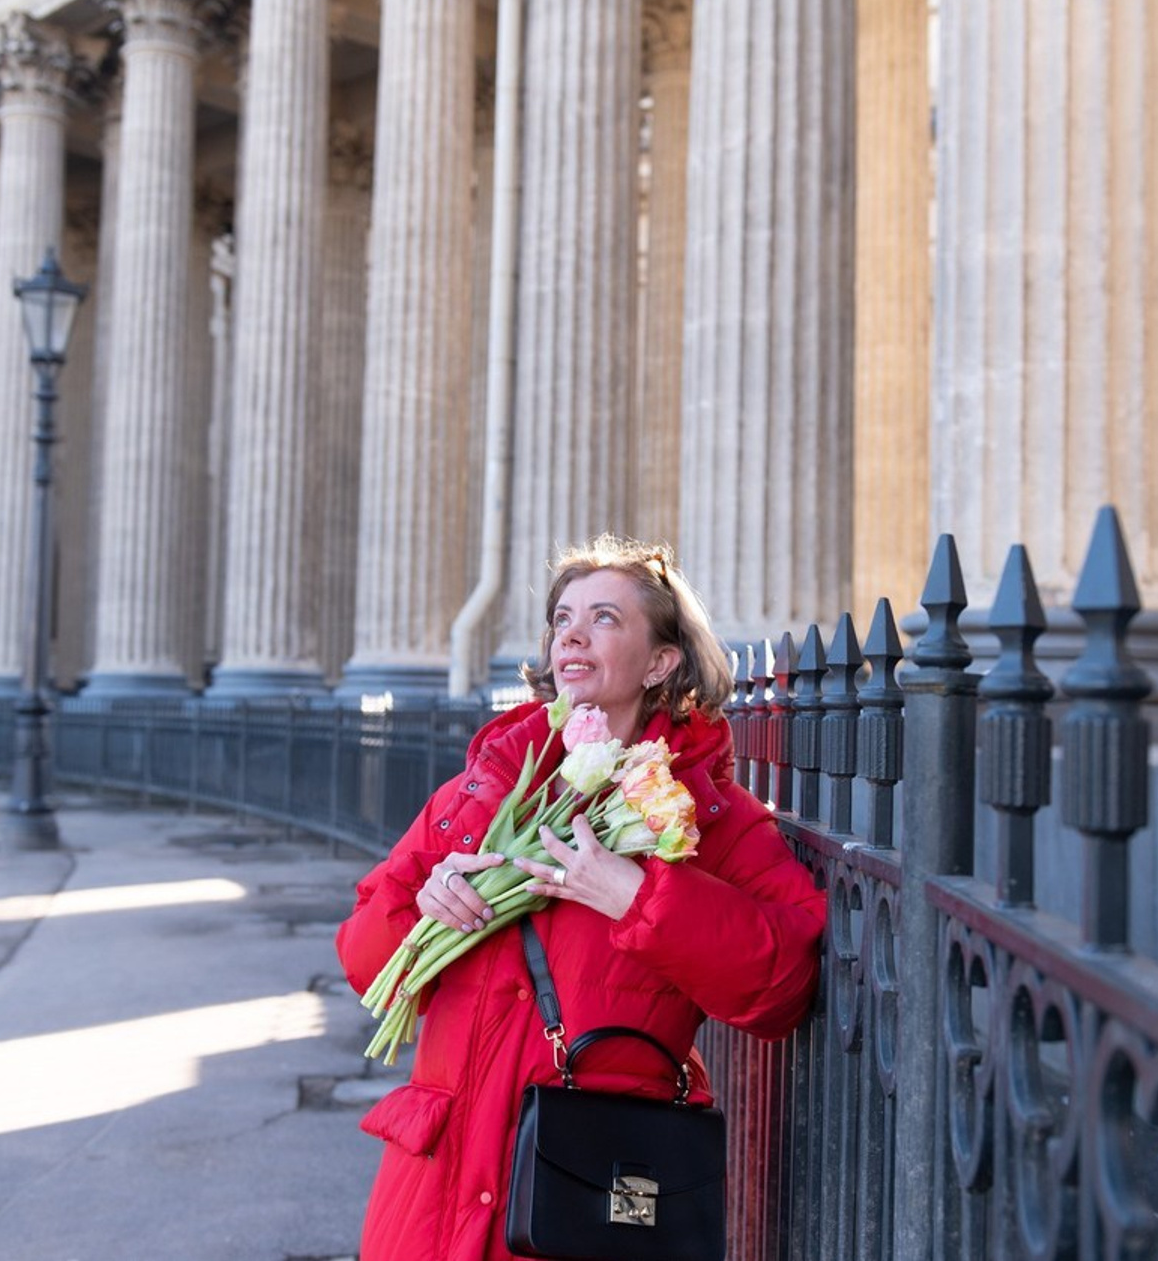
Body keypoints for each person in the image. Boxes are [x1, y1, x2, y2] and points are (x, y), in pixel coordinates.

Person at [335, 535, 826, 1260]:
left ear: (660, 661)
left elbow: (782, 983)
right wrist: (423, 908)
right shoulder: (484, 786)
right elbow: (364, 961)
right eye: (563, 616)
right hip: (434, 1196)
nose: (571, 632)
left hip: (585, 1190)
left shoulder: (701, 813)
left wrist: (642, 899)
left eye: (604, 618)